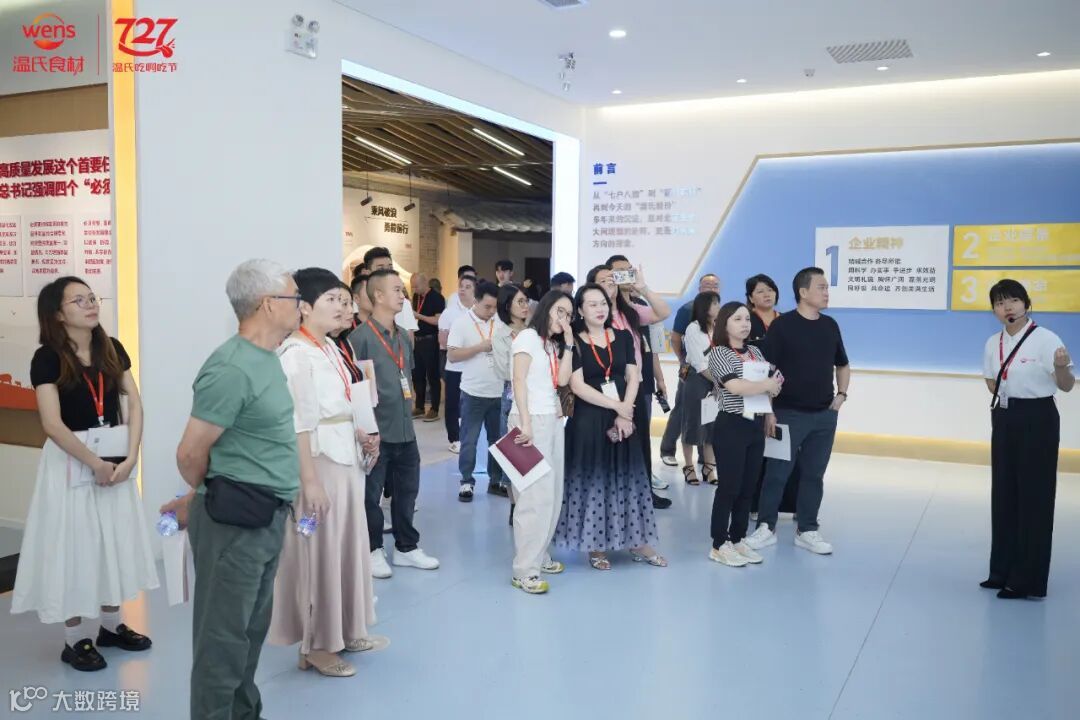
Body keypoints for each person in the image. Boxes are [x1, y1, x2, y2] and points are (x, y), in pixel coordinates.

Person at [170, 259, 302, 719]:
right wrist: (210, 491)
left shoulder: (266, 359)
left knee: (248, 635)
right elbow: (190, 453)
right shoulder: (231, 367)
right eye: (295, 297)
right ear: (268, 304)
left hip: (265, 517)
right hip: (234, 525)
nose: (301, 305)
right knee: (222, 644)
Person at [12, 277, 157, 672]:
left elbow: (135, 404)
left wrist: (131, 457)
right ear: (58, 314)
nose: (91, 304)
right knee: (74, 545)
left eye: (92, 297)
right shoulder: (47, 358)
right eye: (79, 300)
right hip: (71, 461)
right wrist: (94, 462)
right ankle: (75, 638)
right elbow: (51, 423)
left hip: (114, 458)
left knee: (112, 539)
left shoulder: (112, 348)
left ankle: (111, 626)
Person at [269, 268, 380, 677]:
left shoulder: (331, 347)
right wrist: (310, 482)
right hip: (317, 464)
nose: (342, 307)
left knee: (345, 545)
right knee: (318, 551)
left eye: (344, 300)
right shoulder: (295, 355)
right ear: (304, 307)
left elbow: (343, 404)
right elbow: (297, 423)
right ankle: (315, 645)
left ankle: (345, 629)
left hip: (344, 459)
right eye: (332, 299)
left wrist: (362, 433)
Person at [555, 283, 665, 570]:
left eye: (603, 303)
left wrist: (625, 412)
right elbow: (577, 385)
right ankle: (596, 545)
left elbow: (633, 375)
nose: (600, 308)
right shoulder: (574, 341)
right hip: (589, 419)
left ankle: (637, 542)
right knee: (596, 478)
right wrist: (617, 407)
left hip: (624, 415)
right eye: (592, 304)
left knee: (628, 476)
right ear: (580, 310)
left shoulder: (623, 336)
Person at [745, 267, 849, 555]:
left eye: (827, 288)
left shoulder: (830, 326)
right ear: (803, 292)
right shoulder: (783, 326)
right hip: (787, 413)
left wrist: (840, 396)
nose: (826, 293)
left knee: (814, 474)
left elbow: (842, 364)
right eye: (821, 287)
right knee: (777, 473)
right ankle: (766, 527)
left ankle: (808, 529)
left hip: (824, 416)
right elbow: (765, 370)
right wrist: (768, 411)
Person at [981, 279, 1074, 599]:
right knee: (1004, 493)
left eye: (1013, 300)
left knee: (1034, 497)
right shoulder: (993, 342)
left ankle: (1026, 580)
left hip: (1038, 418)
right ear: (994, 310)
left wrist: (1061, 367)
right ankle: (1001, 571)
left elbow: (1066, 385)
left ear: (1026, 303)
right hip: (1005, 416)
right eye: (999, 303)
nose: (1007, 307)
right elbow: (991, 381)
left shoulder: (1046, 339)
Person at [349, 269, 440, 579]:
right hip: (377, 432)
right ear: (378, 295)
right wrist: (365, 430)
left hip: (405, 429)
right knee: (371, 495)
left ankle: (406, 547)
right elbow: (355, 390)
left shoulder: (403, 336)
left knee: (407, 492)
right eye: (397, 290)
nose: (403, 295)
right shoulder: (359, 338)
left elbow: (407, 377)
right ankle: (373, 549)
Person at [506, 290, 575, 593]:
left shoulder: (550, 344)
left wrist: (568, 343)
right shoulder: (527, 338)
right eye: (560, 311)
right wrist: (525, 422)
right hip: (529, 422)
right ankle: (524, 570)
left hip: (552, 421)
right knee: (532, 498)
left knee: (552, 493)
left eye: (569, 314)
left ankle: (539, 554)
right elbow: (518, 380)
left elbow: (562, 381)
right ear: (546, 308)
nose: (564, 318)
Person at [706, 302, 782, 567]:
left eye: (747, 319)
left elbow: (771, 383)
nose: (745, 324)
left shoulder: (755, 351)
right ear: (724, 323)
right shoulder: (719, 353)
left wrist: (770, 410)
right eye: (737, 319)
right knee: (729, 487)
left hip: (755, 424)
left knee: (749, 487)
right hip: (732, 424)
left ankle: (738, 538)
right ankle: (719, 544)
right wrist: (767, 384)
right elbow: (735, 386)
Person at [594, 259, 672, 509]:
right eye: (603, 281)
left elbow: (663, 312)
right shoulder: (591, 315)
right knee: (611, 442)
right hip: (605, 389)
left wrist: (643, 288)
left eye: (612, 279)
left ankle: (642, 494)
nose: (610, 284)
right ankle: (611, 498)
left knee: (639, 442)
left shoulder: (629, 311)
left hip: (634, 387)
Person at [449, 281, 509, 501]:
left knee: (497, 441)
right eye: (487, 307)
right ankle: (466, 481)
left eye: (494, 307)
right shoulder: (461, 323)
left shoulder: (500, 322)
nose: (491, 311)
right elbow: (452, 355)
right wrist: (479, 348)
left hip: (498, 392)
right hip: (473, 393)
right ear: (476, 301)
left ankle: (495, 481)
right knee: (469, 440)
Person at [659, 273, 721, 468]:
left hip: (711, 369)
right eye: (707, 285)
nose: (711, 288)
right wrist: (682, 360)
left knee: (709, 410)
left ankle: (705, 457)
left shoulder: (719, 312)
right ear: (699, 288)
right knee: (682, 408)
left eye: (715, 285)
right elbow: (675, 338)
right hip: (689, 368)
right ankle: (667, 450)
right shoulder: (688, 310)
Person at [680, 291, 721, 485]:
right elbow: (699, 363)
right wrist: (719, 382)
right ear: (704, 307)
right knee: (693, 424)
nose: (718, 307)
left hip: (716, 378)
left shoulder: (719, 327)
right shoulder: (693, 328)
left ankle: (709, 467)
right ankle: (689, 467)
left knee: (712, 425)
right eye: (714, 303)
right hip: (698, 379)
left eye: (718, 303)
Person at [439, 273, 476, 453]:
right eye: (461, 286)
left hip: (475, 366)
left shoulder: (480, 312)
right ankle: (454, 438)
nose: (463, 290)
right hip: (454, 367)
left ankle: (470, 436)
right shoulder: (449, 313)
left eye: (468, 287)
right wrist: (466, 347)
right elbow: (443, 340)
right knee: (453, 404)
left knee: (471, 404)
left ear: (475, 291)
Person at [363, 246, 419, 338]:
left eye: (390, 268)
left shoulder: (402, 303)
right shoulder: (358, 303)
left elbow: (409, 340)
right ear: (367, 273)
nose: (387, 273)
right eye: (380, 269)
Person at [411, 271, 445, 422]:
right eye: (412, 287)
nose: (414, 289)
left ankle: (434, 409)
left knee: (432, 375)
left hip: (431, 340)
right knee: (417, 375)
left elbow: (438, 321)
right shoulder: (416, 297)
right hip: (417, 340)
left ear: (425, 283)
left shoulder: (437, 298)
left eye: (416, 286)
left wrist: (418, 316)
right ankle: (419, 406)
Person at [746, 273, 781, 344]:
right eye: (760, 292)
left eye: (770, 290)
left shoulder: (786, 319)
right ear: (751, 298)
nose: (767, 295)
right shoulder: (746, 321)